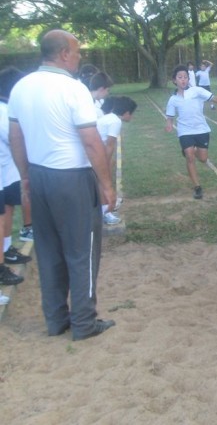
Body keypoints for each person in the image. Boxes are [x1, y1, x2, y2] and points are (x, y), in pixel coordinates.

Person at [8, 29, 116, 340]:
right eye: (77, 52)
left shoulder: (21, 87)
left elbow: (16, 138)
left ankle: (56, 319)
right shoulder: (73, 88)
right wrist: (107, 185)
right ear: (64, 53)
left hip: (39, 175)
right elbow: (91, 142)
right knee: (83, 251)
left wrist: (26, 176)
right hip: (72, 178)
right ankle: (84, 322)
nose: (79, 57)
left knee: (49, 251)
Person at [165, 64, 217, 199]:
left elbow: (214, 98)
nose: (183, 79)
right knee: (189, 156)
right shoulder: (173, 99)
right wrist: (169, 125)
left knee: (203, 158)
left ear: (188, 79)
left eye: (185, 77)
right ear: (174, 80)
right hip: (185, 131)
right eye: (180, 77)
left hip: (201, 129)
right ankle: (197, 187)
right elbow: (170, 115)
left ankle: (190, 150)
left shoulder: (197, 91)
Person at [0, 67, 33, 267]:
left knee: (8, 211)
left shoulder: (6, 108)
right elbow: (13, 139)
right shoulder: (4, 111)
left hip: (8, 172)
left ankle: (7, 249)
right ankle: (4, 253)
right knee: (4, 214)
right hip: (5, 170)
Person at [97, 96, 137, 225]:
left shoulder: (109, 117)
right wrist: (105, 165)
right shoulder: (115, 121)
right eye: (132, 114)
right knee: (103, 182)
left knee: (101, 182)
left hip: (93, 154)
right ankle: (105, 213)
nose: (132, 117)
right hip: (93, 156)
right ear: (126, 113)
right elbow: (109, 145)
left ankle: (103, 211)